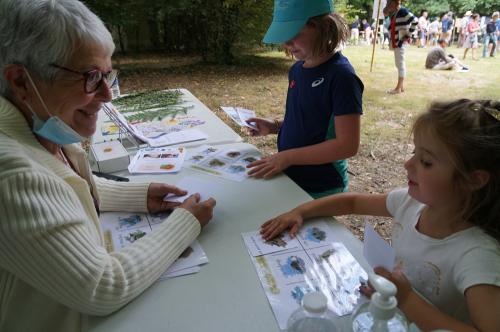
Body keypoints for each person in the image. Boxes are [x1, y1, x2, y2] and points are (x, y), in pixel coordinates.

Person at [0, 1, 216, 331]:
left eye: (107, 75)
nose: (107, 94)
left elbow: (59, 185)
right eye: (90, 77)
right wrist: (186, 223)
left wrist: (136, 195)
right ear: (21, 81)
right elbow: (101, 286)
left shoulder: (39, 120)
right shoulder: (11, 176)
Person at [260, 99, 500, 331]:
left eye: (426, 162)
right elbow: (352, 202)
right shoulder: (410, 203)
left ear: (472, 180)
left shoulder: (477, 256)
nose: (408, 164)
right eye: (415, 152)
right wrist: (300, 211)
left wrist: (405, 299)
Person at [246, 0, 363, 199]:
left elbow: (347, 144)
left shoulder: (342, 77)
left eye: (294, 33)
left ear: (324, 27)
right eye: (284, 35)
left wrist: (288, 157)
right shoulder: (297, 70)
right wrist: (275, 126)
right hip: (292, 177)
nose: (287, 42)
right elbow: (309, 119)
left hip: (321, 185)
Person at [383, 0, 418, 94]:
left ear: (394, 3)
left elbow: (415, 21)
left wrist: (408, 34)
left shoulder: (403, 11)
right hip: (398, 41)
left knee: (400, 64)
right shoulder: (396, 13)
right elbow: (390, 26)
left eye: (389, 3)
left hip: (401, 41)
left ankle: (398, 88)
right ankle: (401, 87)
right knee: (398, 64)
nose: (388, 5)